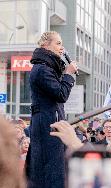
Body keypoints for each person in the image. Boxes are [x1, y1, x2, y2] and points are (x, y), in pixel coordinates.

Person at [26, 31, 78, 188]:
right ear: (45, 45)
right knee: (49, 169)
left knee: (51, 166)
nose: (62, 47)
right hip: (46, 125)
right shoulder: (42, 69)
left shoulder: (47, 67)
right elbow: (61, 94)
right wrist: (68, 74)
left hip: (49, 122)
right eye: (58, 43)